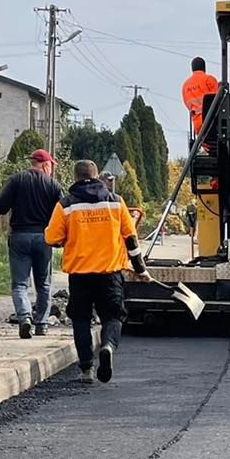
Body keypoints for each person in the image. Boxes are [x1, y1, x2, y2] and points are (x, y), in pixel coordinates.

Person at [44, 158, 150, 383]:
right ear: (98, 176)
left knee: (81, 319)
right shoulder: (115, 202)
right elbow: (130, 238)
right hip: (110, 273)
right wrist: (140, 268)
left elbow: (52, 238)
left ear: (76, 177)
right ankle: (109, 347)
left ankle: (86, 369)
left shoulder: (66, 204)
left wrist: (71, 238)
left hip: (80, 275)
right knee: (113, 316)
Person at [0, 148, 64, 337]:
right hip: (44, 238)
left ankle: (25, 317)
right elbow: (62, 211)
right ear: (45, 165)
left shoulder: (16, 180)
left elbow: (1, 204)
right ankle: (42, 324)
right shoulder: (53, 184)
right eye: (51, 166)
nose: (51, 169)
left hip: (19, 237)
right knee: (43, 284)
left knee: (20, 284)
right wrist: (63, 236)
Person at [181, 57, 219, 141]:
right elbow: (218, 101)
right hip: (212, 123)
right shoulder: (209, 80)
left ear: (192, 69)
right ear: (204, 67)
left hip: (198, 126)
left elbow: (188, 106)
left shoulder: (185, 85)